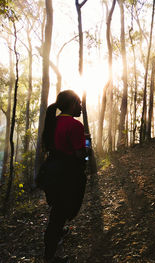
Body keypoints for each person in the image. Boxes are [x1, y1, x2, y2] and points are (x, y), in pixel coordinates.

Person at [40, 90, 87, 263]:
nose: (81, 107)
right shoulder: (75, 126)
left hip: (51, 173)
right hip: (66, 176)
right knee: (59, 214)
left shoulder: (54, 121)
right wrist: (86, 149)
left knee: (57, 209)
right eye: (79, 103)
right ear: (72, 104)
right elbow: (79, 155)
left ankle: (58, 234)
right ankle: (50, 257)